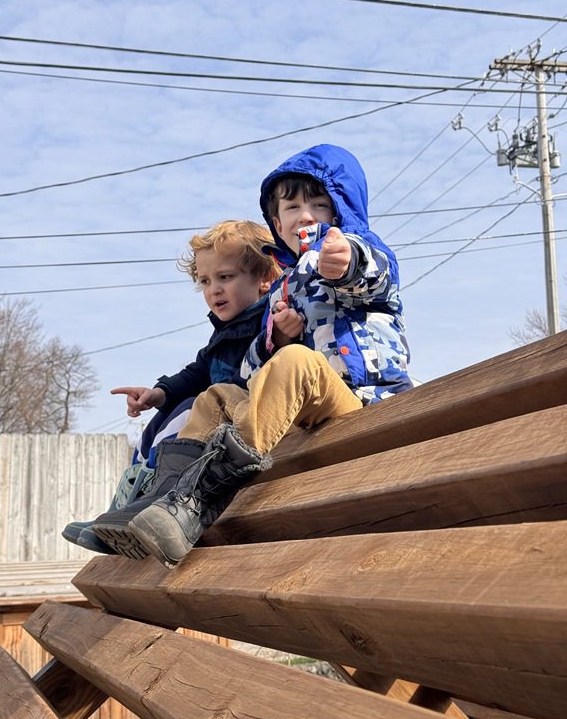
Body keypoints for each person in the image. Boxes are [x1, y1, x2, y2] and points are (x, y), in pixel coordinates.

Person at [92, 143, 413, 566]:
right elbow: (251, 372)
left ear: (341, 211)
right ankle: (167, 501)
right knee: (218, 395)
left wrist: (348, 259)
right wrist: (275, 340)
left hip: (364, 402)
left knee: (298, 363)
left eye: (320, 204)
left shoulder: (361, 250)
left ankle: (199, 499)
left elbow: (375, 278)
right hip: (307, 412)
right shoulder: (283, 289)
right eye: (293, 207)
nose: (306, 215)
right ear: (277, 223)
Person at [62, 219, 279, 554]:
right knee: (162, 419)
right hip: (213, 421)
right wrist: (157, 394)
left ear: (264, 278)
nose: (214, 290)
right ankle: (122, 507)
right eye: (205, 281)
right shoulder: (224, 333)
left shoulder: (270, 322)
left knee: (188, 409)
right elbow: (196, 372)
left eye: (225, 277)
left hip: (238, 427)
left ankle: (148, 499)